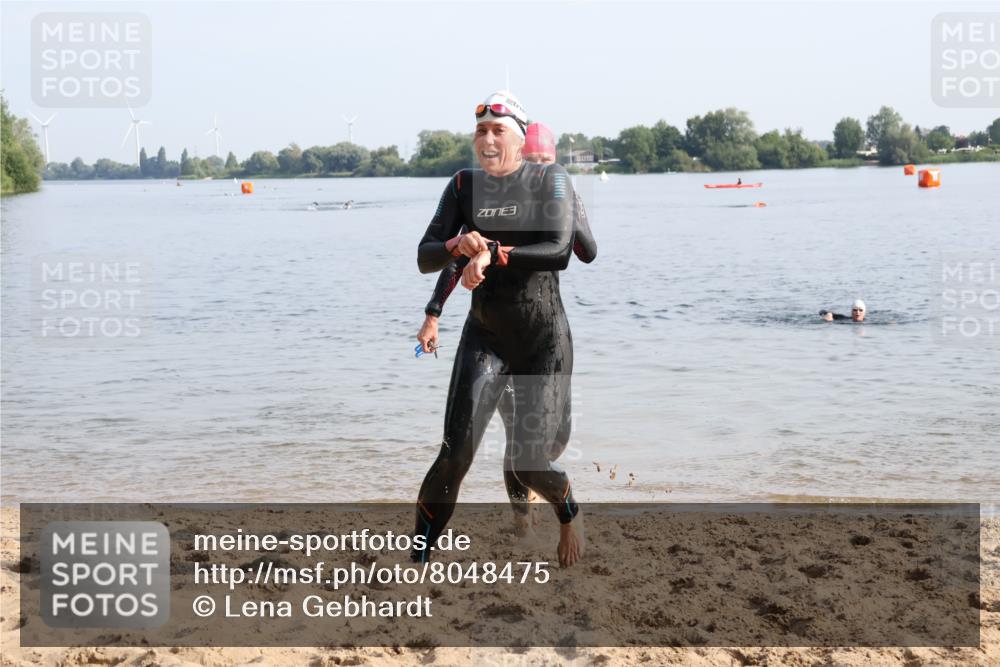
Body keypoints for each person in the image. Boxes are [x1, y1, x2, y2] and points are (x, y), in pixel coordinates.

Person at [413, 91, 585, 567]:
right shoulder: (463, 187)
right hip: (484, 338)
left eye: (498, 131)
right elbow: (425, 256)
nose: (487, 140)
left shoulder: (549, 179)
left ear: (519, 137)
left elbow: (560, 252)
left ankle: (568, 513)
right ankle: (419, 558)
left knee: (530, 462)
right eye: (480, 131)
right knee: (454, 454)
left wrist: (491, 250)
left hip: (542, 341)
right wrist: (456, 243)